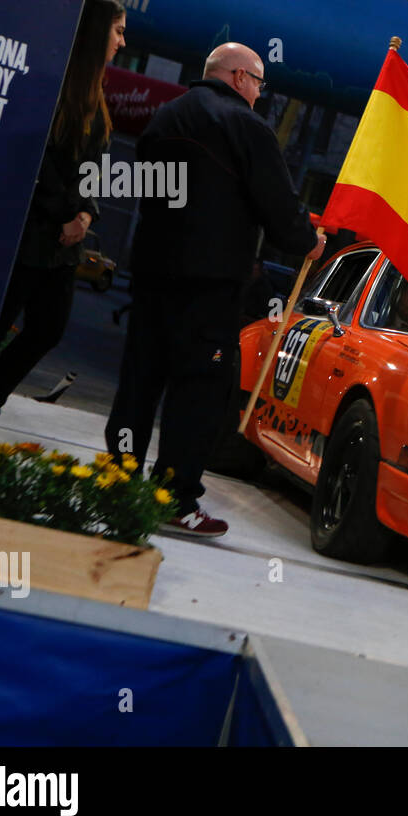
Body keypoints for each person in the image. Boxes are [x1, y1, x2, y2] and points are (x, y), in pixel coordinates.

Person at [105, 42, 325, 538]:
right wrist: (307, 241)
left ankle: (118, 486)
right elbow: (277, 202)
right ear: (240, 77)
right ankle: (174, 498)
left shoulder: (164, 118)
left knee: (138, 387)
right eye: (259, 83)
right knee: (199, 394)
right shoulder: (245, 126)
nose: (260, 94)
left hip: (152, 276)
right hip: (209, 288)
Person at [0, 0, 127, 439]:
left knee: (49, 329)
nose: (121, 43)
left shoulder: (97, 96)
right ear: (97, 31)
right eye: (117, 32)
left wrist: (87, 217)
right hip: (29, 235)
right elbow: (33, 159)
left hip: (64, 243)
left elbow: (96, 169)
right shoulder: (50, 84)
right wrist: (65, 214)